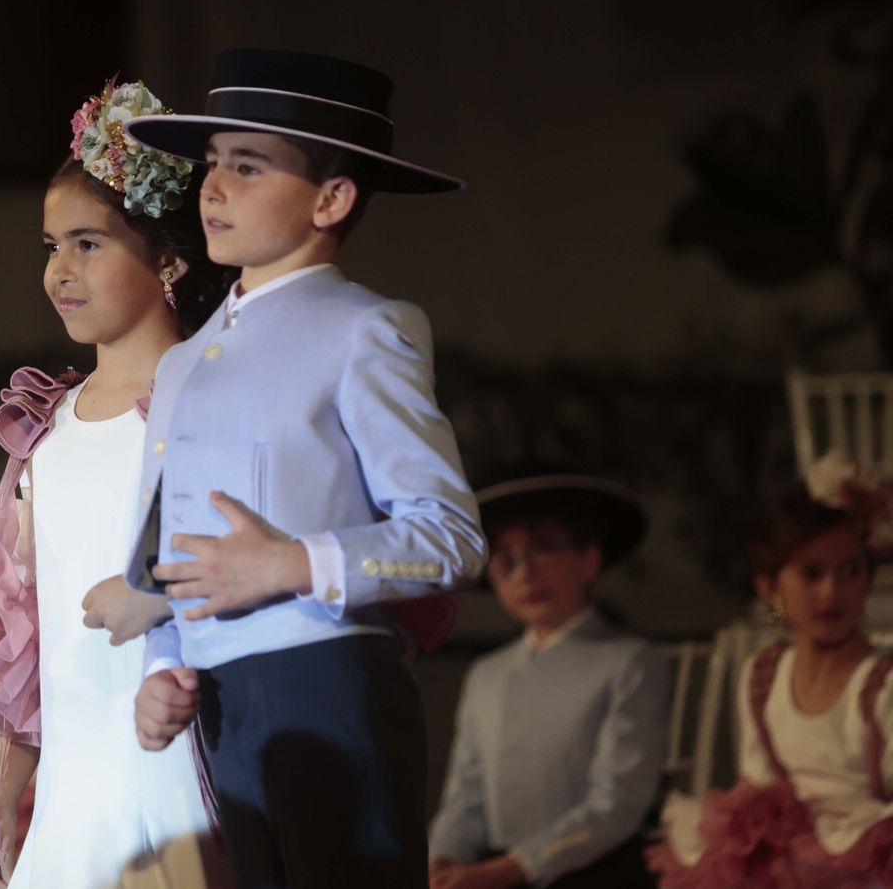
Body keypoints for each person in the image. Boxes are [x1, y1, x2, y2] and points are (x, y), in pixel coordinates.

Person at [116, 48, 487, 887]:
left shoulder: (365, 328)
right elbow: (168, 552)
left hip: (328, 685)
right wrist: (162, 663)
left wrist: (291, 562)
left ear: (331, 198)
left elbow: (452, 537)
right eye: (213, 162)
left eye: (247, 166)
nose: (213, 186)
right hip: (221, 702)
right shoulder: (182, 361)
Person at [0, 78, 234, 889]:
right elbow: (26, 645)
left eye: (89, 244)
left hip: (183, 773)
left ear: (170, 256)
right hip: (74, 800)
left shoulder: (207, 404)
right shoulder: (46, 428)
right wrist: (1, 798)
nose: (61, 271)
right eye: (51, 246)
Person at [647, 452, 893, 888]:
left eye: (850, 571)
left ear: (867, 582)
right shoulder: (763, 677)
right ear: (771, 587)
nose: (831, 592)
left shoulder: (881, 686)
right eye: (811, 573)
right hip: (787, 866)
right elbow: (758, 788)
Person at [429, 467, 668, 889]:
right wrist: (442, 859)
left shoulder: (628, 660)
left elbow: (620, 799)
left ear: (589, 559)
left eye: (544, 549)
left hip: (597, 874)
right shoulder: (486, 674)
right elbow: (466, 795)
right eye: (506, 559)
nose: (525, 573)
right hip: (486, 874)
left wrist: (512, 868)